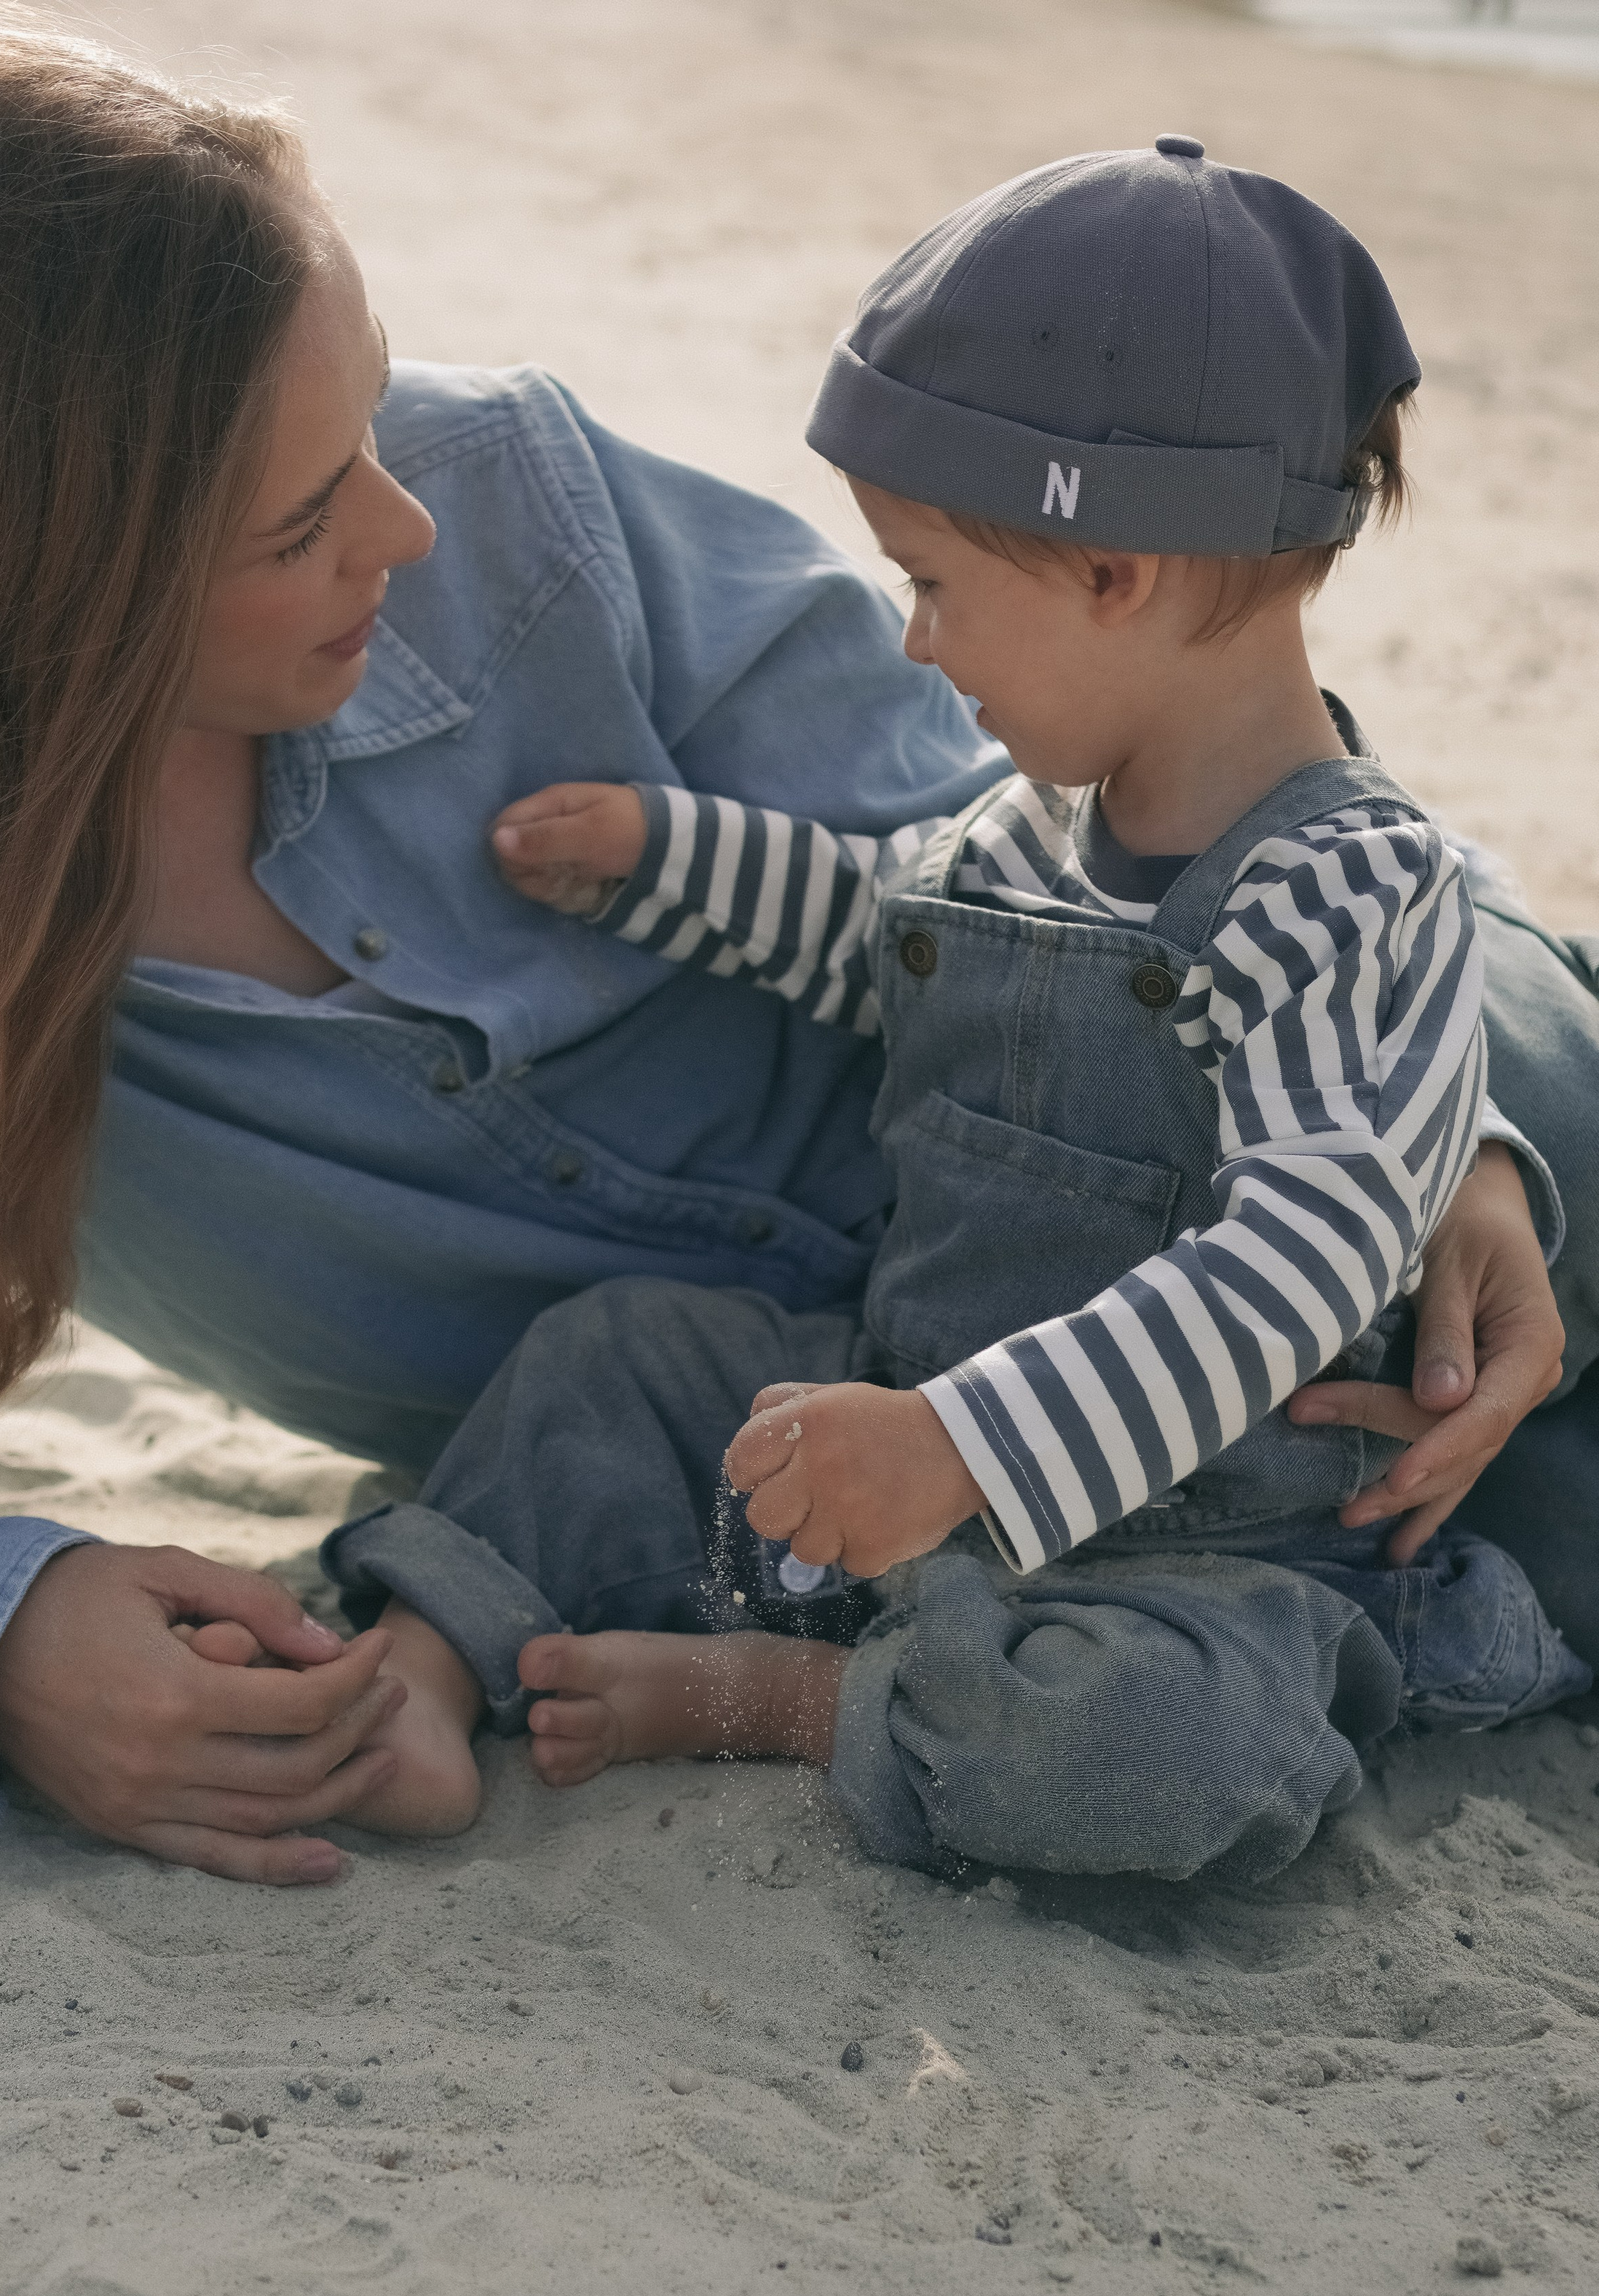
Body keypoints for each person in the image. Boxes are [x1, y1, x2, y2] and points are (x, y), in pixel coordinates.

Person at [0, 36, 1585, 1884]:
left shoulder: (518, 508)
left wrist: (1450, 1135)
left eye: (369, 423)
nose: (407, 524)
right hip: (763, 1445)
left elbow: (1129, 838)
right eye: (301, 523)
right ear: (30, 589)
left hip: (1321, 1261)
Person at [320, 143, 1590, 1884]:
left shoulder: (1346, 892)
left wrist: (964, 1448)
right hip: (893, 1413)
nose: (914, 640)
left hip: (1202, 1556)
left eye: (927, 581)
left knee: (1152, 1754)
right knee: (611, 1362)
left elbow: (1293, 1263)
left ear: (1108, 569)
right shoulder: (1031, 824)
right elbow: (879, 931)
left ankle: (781, 1696)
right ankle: (416, 1654)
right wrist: (665, 856)